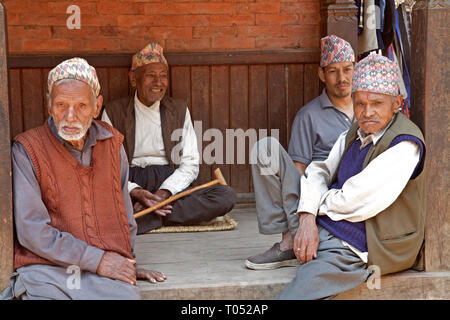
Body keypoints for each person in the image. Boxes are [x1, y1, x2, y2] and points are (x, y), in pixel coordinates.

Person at [2, 58, 165, 300]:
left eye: (81, 106)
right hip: (48, 270)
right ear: (49, 105)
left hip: (103, 274)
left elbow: (125, 218)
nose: (70, 116)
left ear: (97, 106)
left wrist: (124, 262)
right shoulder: (27, 149)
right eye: (61, 105)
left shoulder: (113, 144)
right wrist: (98, 260)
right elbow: (32, 231)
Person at [276, 53, 426, 299]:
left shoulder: (405, 145)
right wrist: (306, 218)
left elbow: (353, 200)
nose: (367, 112)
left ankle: (303, 245)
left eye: (377, 104)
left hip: (357, 245)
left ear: (396, 104)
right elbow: (318, 170)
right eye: (360, 104)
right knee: (271, 154)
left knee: (294, 296)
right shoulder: (355, 131)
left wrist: (312, 206)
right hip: (324, 224)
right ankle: (293, 241)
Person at [246, 35, 356, 270]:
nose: (342, 77)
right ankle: (289, 240)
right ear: (321, 74)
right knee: (265, 149)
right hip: (318, 194)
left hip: (358, 193)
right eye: (334, 71)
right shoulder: (309, 115)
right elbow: (298, 172)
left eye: (347, 69)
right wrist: (304, 212)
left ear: (355, 70)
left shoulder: (369, 106)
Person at [102, 43, 236, 234]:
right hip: (130, 181)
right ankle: (163, 215)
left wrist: (164, 194)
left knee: (225, 196)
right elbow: (109, 165)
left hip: (168, 180)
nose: (159, 82)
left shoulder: (179, 110)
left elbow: (190, 163)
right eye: (150, 75)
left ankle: (144, 216)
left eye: (163, 75)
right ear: (133, 79)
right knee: (100, 201)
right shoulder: (114, 111)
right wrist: (136, 192)